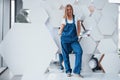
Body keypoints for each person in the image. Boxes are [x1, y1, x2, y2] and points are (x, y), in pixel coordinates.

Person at [58, 4, 83, 77]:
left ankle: (77, 72)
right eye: (68, 10)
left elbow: (78, 28)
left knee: (79, 51)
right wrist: (59, 32)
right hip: (65, 40)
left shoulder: (76, 18)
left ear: (72, 10)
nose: (69, 11)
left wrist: (79, 35)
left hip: (73, 40)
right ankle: (68, 71)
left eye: (70, 9)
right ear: (66, 11)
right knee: (65, 55)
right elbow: (61, 30)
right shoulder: (64, 19)